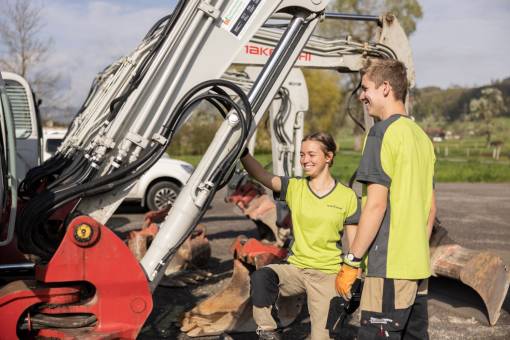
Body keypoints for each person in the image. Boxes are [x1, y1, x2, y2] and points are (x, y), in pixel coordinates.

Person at [335, 58, 436, 339]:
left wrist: (351, 261)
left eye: (366, 88)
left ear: (386, 88)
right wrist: (415, 251)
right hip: (417, 268)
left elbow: (376, 205)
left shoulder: (380, 133)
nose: (361, 94)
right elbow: (430, 210)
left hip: (389, 269)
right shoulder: (421, 137)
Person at [240, 132, 361, 340]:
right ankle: (268, 332)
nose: (305, 160)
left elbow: (355, 243)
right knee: (262, 277)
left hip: (328, 274)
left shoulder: (347, 196)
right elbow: (261, 174)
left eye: (312, 154)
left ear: (328, 157)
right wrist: (242, 152)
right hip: (296, 269)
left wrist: (355, 280)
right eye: (302, 155)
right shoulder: (295, 187)